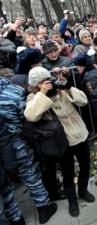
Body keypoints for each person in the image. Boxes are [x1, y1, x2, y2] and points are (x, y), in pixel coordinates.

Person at [24, 67, 95, 218]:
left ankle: (83, 190)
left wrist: (68, 87)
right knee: (68, 173)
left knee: (85, 165)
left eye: (47, 79)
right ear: (36, 84)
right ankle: (72, 201)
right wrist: (42, 93)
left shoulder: (59, 89)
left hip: (79, 133)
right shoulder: (34, 97)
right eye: (43, 82)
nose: (48, 83)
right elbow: (31, 115)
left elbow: (83, 101)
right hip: (62, 142)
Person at [0, 75, 57, 224]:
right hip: (17, 142)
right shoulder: (15, 91)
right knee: (30, 174)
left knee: (4, 184)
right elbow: (26, 117)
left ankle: (16, 218)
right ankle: (43, 208)